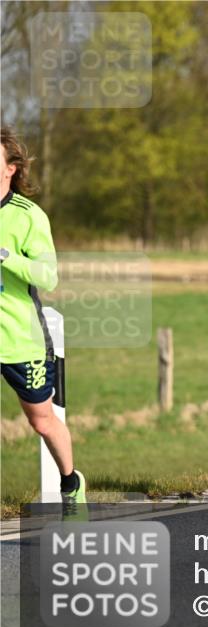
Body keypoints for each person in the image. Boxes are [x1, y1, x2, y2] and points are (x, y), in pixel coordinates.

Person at [0, 126, 86, 517]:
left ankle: (71, 484)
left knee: (42, 420)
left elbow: (48, 277)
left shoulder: (28, 217)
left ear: (11, 169)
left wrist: (6, 257)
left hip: (20, 338)